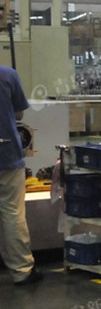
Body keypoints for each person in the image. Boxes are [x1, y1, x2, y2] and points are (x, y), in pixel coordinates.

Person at [0, 65, 40, 285]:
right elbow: (18, 113)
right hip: (5, 154)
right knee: (12, 212)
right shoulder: (7, 75)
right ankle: (21, 270)